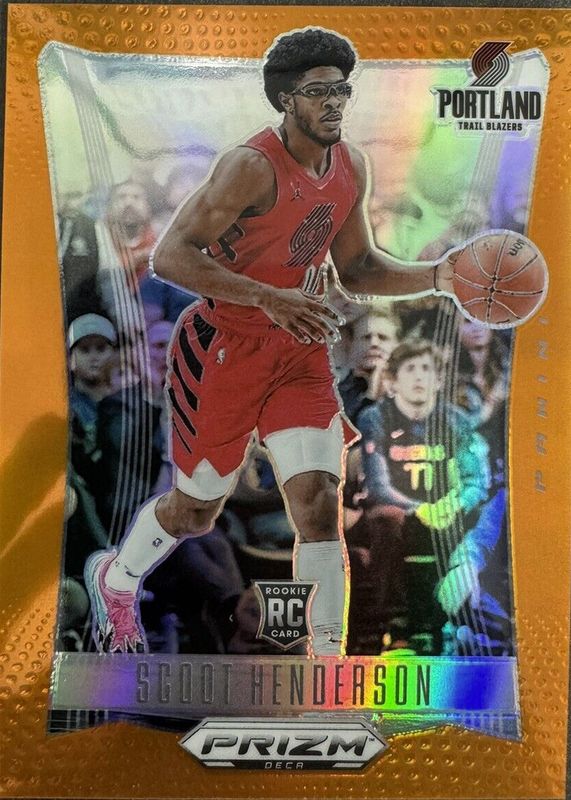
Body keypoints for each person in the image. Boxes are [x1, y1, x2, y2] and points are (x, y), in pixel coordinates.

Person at [85, 27, 457, 656]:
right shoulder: (250, 166)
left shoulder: (352, 165)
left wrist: (440, 276)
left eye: (342, 90)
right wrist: (267, 296)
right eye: (318, 92)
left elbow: (358, 267)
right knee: (197, 509)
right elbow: (171, 257)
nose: (334, 102)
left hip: (298, 350)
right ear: (287, 100)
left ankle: (326, 656)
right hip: (223, 346)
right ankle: (116, 580)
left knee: (319, 502)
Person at [356, 340, 490, 653]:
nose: (419, 377)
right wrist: (420, 509)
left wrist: (455, 504)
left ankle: (451, 622)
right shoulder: (375, 418)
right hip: (397, 514)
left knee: (482, 519)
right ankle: (392, 621)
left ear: (438, 380)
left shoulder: (456, 420)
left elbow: (474, 482)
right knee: (387, 518)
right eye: (410, 369)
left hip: (446, 513)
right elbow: (378, 486)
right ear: (393, 381)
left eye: (426, 369)